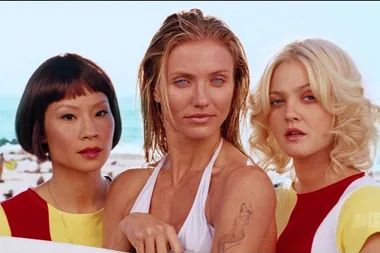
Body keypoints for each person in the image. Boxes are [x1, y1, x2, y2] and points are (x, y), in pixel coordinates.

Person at [103, 8, 276, 253]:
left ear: (235, 88)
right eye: (182, 81)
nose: (201, 99)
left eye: (217, 80)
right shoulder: (127, 188)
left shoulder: (244, 184)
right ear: (155, 90)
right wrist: (126, 227)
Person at [249, 38, 380, 253]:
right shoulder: (267, 203)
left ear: (340, 105)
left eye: (309, 97)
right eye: (277, 101)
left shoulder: (368, 204)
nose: (290, 113)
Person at [0, 53, 122, 248]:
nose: (90, 131)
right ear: (40, 131)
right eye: (68, 116)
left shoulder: (142, 205)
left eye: (100, 113)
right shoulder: (7, 222)